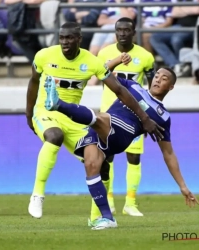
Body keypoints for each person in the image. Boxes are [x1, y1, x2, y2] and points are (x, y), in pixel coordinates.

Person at [26, 22, 163, 222]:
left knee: (102, 164)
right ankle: (37, 195)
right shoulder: (44, 55)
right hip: (45, 112)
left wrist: (145, 118)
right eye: (62, 37)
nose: (65, 42)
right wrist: (29, 114)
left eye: (70, 38)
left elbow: (119, 90)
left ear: (79, 39)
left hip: (73, 120)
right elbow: (34, 82)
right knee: (55, 135)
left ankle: (97, 218)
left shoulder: (91, 62)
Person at [44, 67, 199, 229]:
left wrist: (183, 186)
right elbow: (106, 75)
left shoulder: (162, 116)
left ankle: (58, 104)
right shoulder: (133, 85)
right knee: (91, 166)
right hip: (101, 128)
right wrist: (115, 61)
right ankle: (108, 218)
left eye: (164, 78)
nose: (158, 79)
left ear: (171, 87)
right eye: (157, 76)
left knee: (99, 117)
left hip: (122, 133)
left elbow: (168, 153)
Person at [90, 17, 155, 222]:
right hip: (108, 114)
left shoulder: (145, 57)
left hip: (133, 116)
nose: (123, 33)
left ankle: (131, 203)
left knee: (133, 157)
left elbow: (151, 90)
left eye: (127, 30)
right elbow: (100, 76)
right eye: (119, 30)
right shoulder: (105, 53)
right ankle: (108, 201)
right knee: (106, 158)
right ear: (115, 32)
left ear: (133, 32)